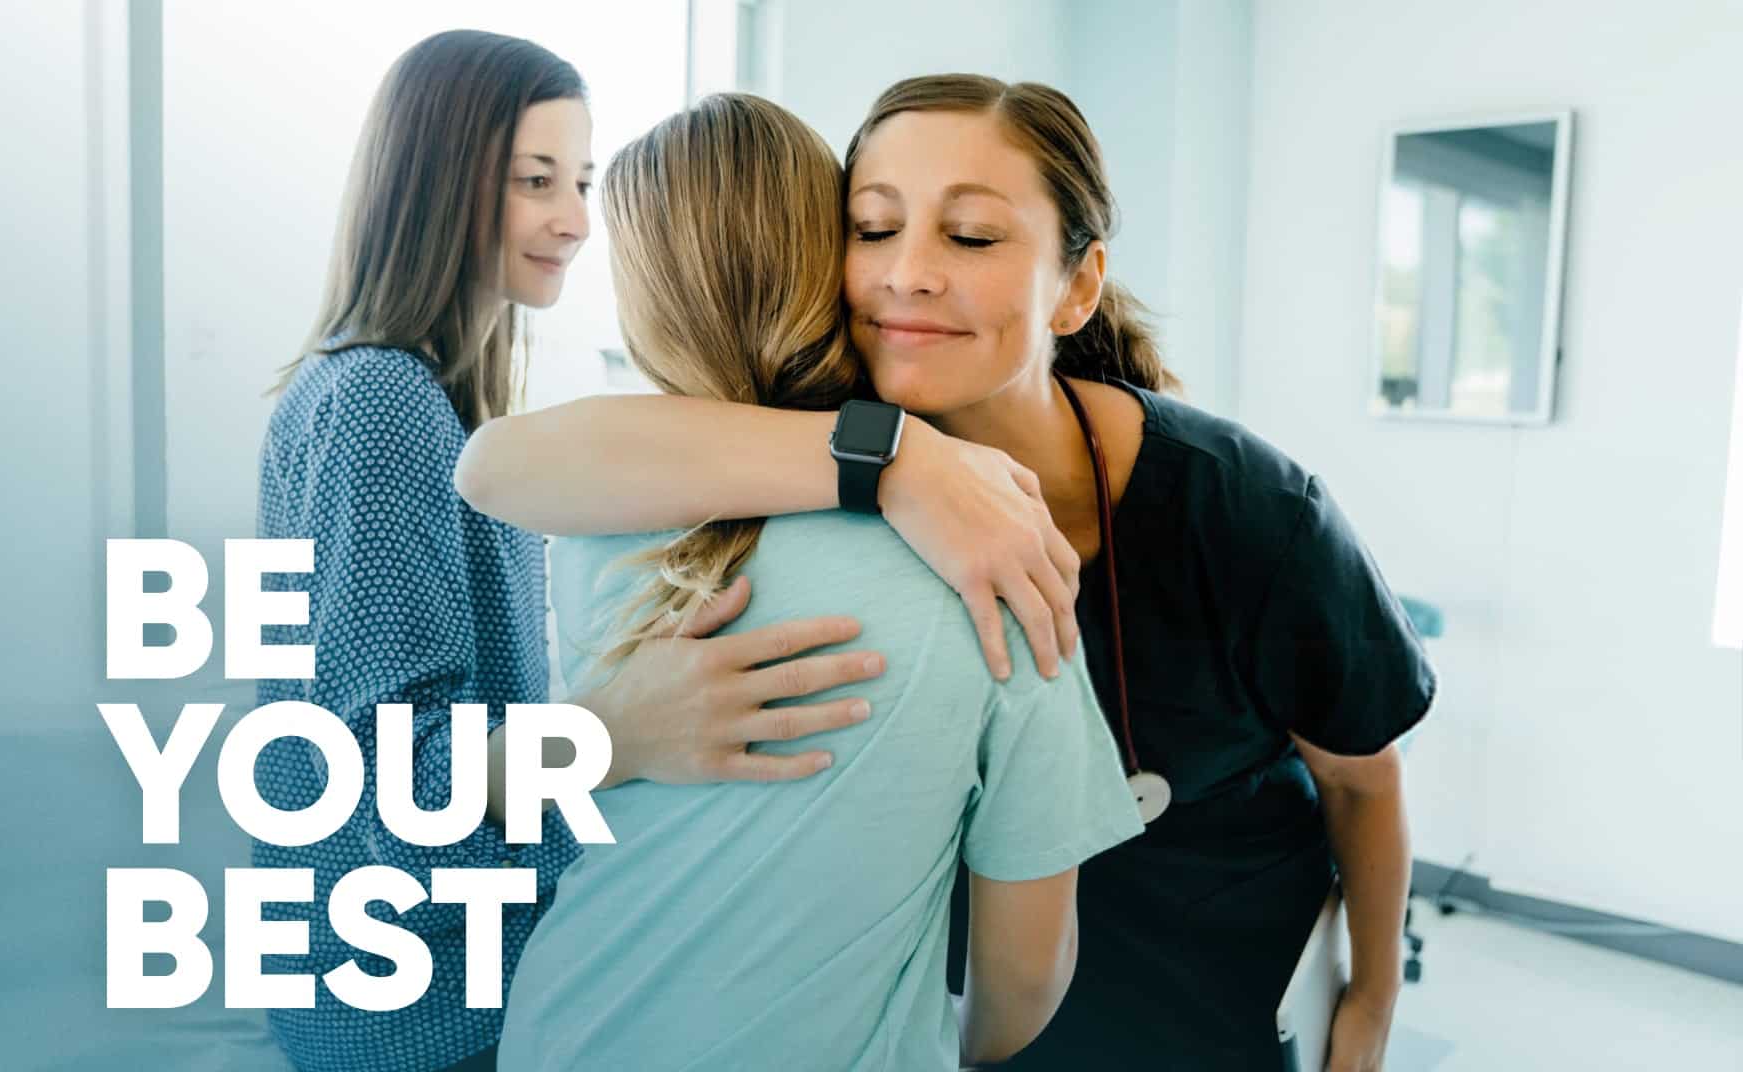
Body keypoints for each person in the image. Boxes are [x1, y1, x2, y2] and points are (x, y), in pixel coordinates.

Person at [459, 74, 1436, 1070]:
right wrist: (896, 462)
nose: (908, 273)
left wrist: (1367, 1001)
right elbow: (499, 466)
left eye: (970, 237)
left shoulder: (1247, 509)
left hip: (1204, 1011)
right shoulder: (786, 462)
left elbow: (1360, 782)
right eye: (873, 228)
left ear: (1078, 285)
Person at [250, 32, 916, 1072]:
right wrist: (619, 728)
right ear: (432, 185)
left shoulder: (426, 402)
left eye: (583, 182)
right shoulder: (380, 403)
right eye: (533, 182)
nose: (572, 220)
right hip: (421, 1019)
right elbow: (384, 789)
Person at [494, 92, 1143, 1072]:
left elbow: (494, 473)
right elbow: (1024, 971)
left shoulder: (601, 519)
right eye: (876, 228)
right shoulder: (997, 563)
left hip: (565, 1032)